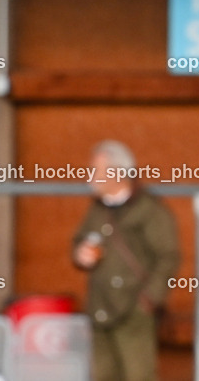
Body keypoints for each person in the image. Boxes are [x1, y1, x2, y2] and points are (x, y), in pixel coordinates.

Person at [72, 140, 180, 381]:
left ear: (116, 172)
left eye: (96, 171)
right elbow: (81, 239)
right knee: (103, 373)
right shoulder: (98, 209)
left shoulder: (149, 211)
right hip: (100, 306)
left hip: (133, 308)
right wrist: (81, 253)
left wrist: (149, 298)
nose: (90, 177)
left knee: (137, 374)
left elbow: (167, 256)